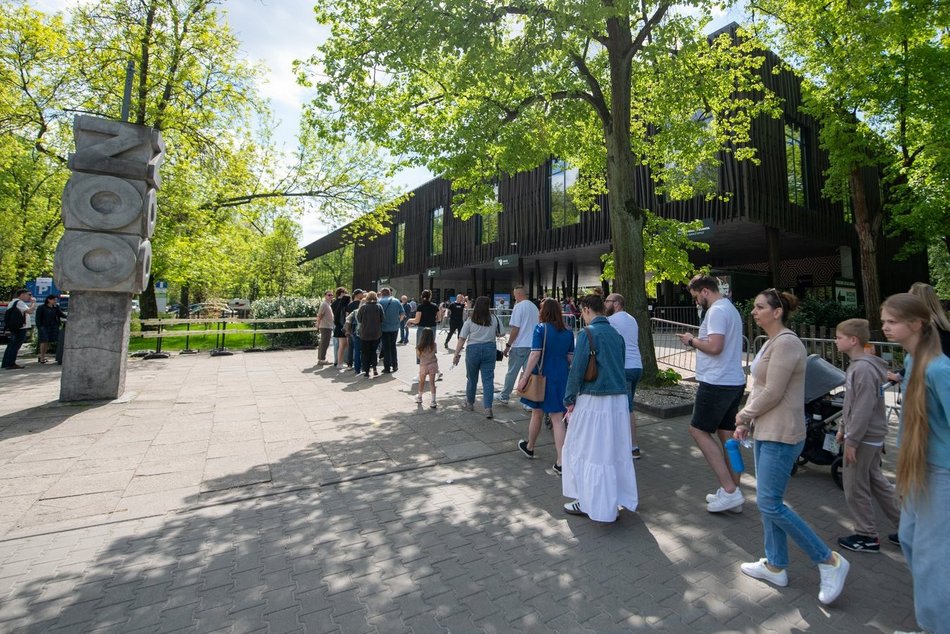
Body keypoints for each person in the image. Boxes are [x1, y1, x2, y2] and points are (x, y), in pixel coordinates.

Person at [735, 289, 850, 606]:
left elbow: (772, 392)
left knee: (770, 503)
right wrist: (748, 421)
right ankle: (775, 565)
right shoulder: (773, 343)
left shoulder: (786, 343)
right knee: (767, 500)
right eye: (754, 307)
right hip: (766, 430)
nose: (754, 312)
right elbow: (759, 387)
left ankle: (829, 561)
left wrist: (744, 414)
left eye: (759, 307)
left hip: (782, 433)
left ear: (777, 312)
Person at [880, 293, 950, 633]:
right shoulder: (911, 363)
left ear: (916, 324)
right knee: (908, 538)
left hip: (941, 474)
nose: (884, 327)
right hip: (917, 470)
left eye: (891, 322)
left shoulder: (941, 369)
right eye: (884, 321)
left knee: (931, 559)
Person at [561, 294, 638, 521]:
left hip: (594, 399)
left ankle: (588, 501)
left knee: (586, 449)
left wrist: (568, 398)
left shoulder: (587, 334)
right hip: (618, 401)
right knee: (611, 452)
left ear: (586, 309)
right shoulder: (616, 334)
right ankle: (610, 500)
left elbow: (577, 370)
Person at [677, 275, 747, 513]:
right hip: (733, 381)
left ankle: (729, 490)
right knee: (728, 437)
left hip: (717, 381)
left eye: (696, 297)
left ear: (705, 291)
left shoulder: (716, 311)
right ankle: (734, 491)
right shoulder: (730, 309)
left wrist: (691, 340)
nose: (697, 303)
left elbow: (715, 347)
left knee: (697, 430)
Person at [832, 318, 901, 553]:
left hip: (863, 438)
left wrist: (851, 439)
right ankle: (906, 528)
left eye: (839, 337)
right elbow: (853, 405)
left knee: (855, 487)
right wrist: (843, 427)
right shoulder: (864, 367)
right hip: (869, 436)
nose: (835, 341)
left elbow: (861, 408)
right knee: (877, 481)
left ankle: (866, 535)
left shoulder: (861, 369)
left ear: (853, 340)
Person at [516, 298, 575, 474]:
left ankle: (531, 446)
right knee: (558, 419)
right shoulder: (568, 332)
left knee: (536, 413)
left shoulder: (540, 329)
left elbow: (535, 355)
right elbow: (570, 358)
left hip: (542, 377)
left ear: (543, 311)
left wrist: (524, 378)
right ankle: (561, 461)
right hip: (561, 377)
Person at [606, 293, 644, 459]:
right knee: (625, 406)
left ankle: (633, 447)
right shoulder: (632, 319)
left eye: (607, 301)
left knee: (627, 408)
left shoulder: (611, 321)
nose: (604, 303)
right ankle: (624, 441)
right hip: (637, 366)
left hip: (624, 368)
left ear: (616, 304)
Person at [452, 296, 501, 418]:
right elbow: (502, 332)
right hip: (490, 349)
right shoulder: (494, 318)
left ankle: (470, 403)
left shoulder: (470, 320)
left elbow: (462, 338)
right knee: (488, 380)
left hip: (473, 350)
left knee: (472, 378)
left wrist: (456, 354)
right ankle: (488, 408)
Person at [496, 286, 539, 406]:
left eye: (515, 295)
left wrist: (508, 345)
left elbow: (515, 328)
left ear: (519, 294)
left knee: (512, 372)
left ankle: (504, 395)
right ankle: (528, 401)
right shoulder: (534, 307)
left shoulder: (518, 307)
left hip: (520, 345)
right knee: (528, 373)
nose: (514, 297)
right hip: (533, 345)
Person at [407, 290, 442, 368]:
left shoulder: (420, 306)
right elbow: (439, 319)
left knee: (420, 347)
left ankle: (421, 366)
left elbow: (417, 320)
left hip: (422, 328)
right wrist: (432, 320)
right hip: (432, 328)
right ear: (430, 297)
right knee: (430, 347)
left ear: (421, 296)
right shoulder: (435, 306)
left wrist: (409, 320)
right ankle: (433, 366)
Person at [2, 289, 36, 370]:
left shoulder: (13, 302)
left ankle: (6, 363)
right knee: (15, 346)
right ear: (22, 294)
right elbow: (30, 311)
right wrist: (33, 303)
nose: (29, 297)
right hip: (20, 327)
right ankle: (10, 363)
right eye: (29, 295)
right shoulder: (19, 302)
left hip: (15, 327)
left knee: (11, 345)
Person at [357, 291, 384, 377]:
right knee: (374, 351)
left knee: (365, 352)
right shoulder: (379, 307)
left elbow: (359, 319)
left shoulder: (363, 307)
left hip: (365, 333)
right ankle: (375, 368)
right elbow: (382, 319)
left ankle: (367, 371)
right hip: (376, 333)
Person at [378, 287, 404, 373]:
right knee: (393, 346)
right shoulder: (396, 301)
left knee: (386, 347)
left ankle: (387, 367)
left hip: (384, 328)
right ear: (390, 293)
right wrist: (397, 322)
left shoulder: (380, 302)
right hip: (395, 328)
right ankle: (395, 365)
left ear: (382, 293)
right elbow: (402, 314)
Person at [35, 294, 66, 364]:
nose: (55, 301)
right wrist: (39, 327)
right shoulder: (41, 307)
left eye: (56, 300)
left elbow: (61, 314)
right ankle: (42, 357)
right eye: (54, 300)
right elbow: (38, 318)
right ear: (49, 300)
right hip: (44, 326)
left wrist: (69, 317)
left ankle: (43, 356)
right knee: (44, 341)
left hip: (53, 326)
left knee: (48, 341)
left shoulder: (56, 307)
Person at [415, 328, 439, 408]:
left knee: (421, 382)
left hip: (423, 366)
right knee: (432, 383)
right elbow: (435, 352)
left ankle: (420, 397)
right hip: (433, 364)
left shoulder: (419, 347)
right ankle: (433, 401)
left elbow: (418, 356)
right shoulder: (434, 345)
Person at [345, 289, 365, 368]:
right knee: (361, 348)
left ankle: (350, 364)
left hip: (351, 328)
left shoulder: (350, 305)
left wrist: (347, 329)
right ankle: (360, 364)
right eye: (361, 293)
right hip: (360, 328)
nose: (362, 295)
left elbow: (347, 317)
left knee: (351, 346)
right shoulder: (362, 305)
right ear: (358, 295)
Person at [331, 288, 350, 367]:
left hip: (338, 326)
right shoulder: (343, 307)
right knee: (342, 345)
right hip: (342, 327)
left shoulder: (335, 304)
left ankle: (338, 361)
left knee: (339, 345)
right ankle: (340, 362)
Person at [316, 291, 335, 365]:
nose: (331, 296)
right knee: (324, 342)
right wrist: (318, 324)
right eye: (329, 295)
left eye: (332, 295)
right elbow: (320, 315)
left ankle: (321, 358)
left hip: (327, 326)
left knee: (324, 342)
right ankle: (322, 359)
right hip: (325, 326)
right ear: (325, 296)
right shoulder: (324, 304)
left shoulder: (327, 304)